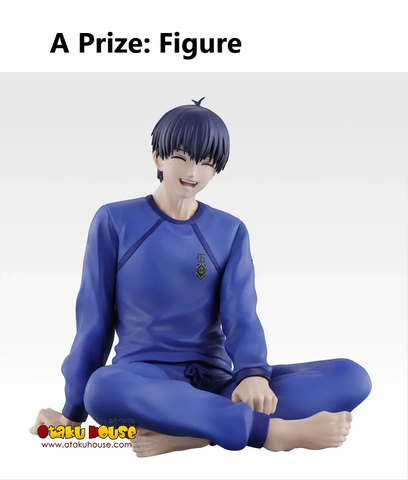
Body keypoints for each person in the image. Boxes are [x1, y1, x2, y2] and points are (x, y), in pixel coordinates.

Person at [30, 98, 372, 456]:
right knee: (102, 390)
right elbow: (93, 320)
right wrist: (73, 412)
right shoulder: (115, 220)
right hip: (145, 385)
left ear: (216, 169)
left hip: (218, 386)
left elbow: (242, 315)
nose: (193, 171)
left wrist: (252, 374)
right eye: (181, 156)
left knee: (351, 376)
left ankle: (196, 433)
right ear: (157, 158)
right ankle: (268, 433)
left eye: (206, 162)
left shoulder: (230, 230)